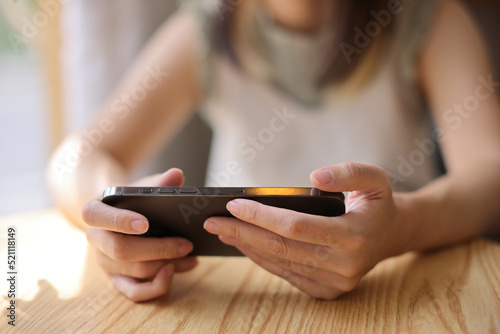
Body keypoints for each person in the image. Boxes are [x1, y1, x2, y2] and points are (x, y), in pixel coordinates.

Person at [47, 0, 500, 302]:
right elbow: (76, 158)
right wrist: (112, 215)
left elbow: (491, 172)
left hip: (400, 292)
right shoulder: (207, 27)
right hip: (240, 301)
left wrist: (401, 227)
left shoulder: (426, 18)